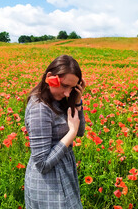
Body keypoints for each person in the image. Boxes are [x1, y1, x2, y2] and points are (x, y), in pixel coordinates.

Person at [24, 55, 86, 208]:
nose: (67, 93)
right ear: (50, 77)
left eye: (72, 88)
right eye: (65, 86)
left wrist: (77, 101)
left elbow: (80, 131)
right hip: (48, 185)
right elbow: (43, 164)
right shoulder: (40, 108)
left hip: (63, 175)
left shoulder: (58, 101)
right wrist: (71, 132)